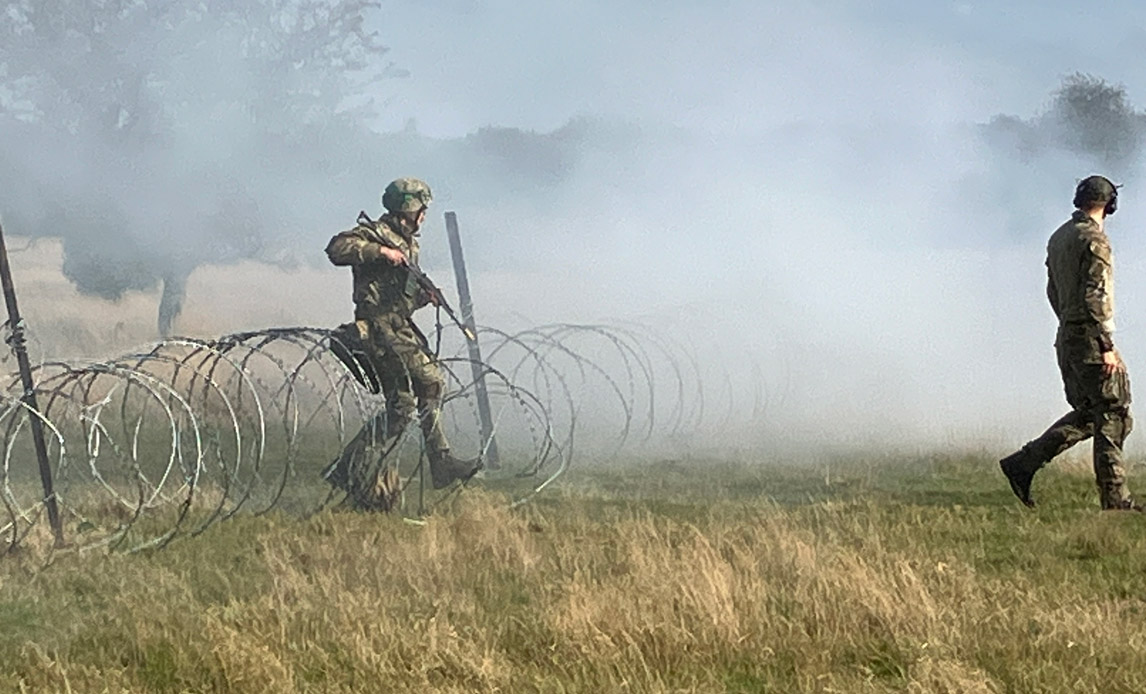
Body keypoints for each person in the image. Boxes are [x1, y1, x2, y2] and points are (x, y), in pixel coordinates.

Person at [323, 177, 480, 502]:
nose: (424, 216)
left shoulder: (410, 244)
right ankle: (431, 462)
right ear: (409, 209)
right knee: (416, 393)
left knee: (416, 397)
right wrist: (379, 252)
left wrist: (423, 297)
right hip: (378, 329)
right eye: (422, 209)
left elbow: (399, 298)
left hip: (399, 327)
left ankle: (432, 462)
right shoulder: (377, 234)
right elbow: (336, 249)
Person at [1000, 175, 1137, 511]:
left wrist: (1069, 324)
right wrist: (1106, 343)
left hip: (1068, 335)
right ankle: (1115, 499)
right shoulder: (1096, 241)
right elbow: (1096, 295)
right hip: (1090, 337)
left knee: (1092, 413)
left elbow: (1053, 291)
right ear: (1110, 204)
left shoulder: (1060, 236)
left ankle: (1023, 463)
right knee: (1113, 412)